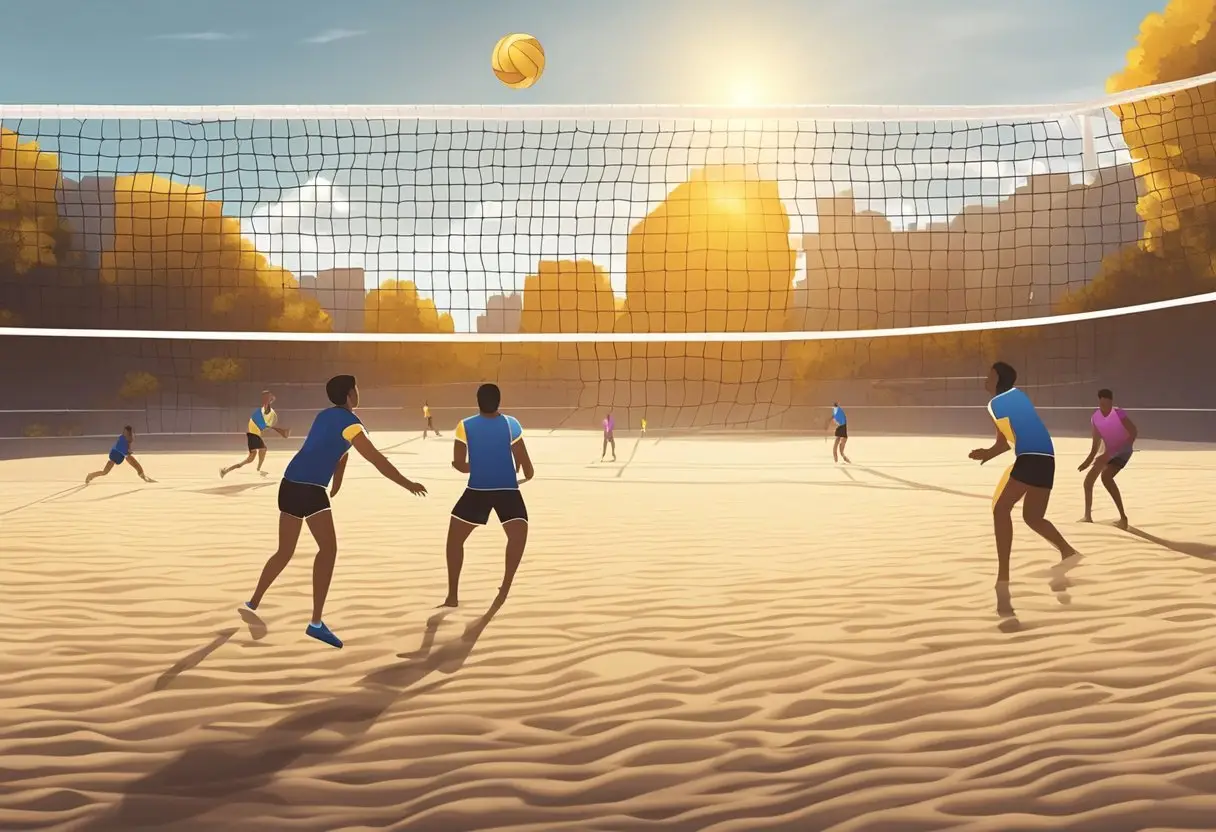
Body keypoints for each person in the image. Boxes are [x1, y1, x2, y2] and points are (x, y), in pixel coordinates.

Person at [243, 375, 427, 649]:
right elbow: (376, 458)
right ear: (350, 394)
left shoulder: (325, 415)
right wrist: (407, 483)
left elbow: (337, 451)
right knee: (328, 550)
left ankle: (253, 601)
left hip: (289, 483)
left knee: (285, 550)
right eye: (357, 388)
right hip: (310, 489)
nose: (358, 391)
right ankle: (316, 623)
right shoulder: (352, 424)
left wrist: (337, 482)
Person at [970, 362, 1078, 611]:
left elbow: (1013, 437)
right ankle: (1068, 551)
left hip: (1031, 457)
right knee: (1033, 517)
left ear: (999, 379)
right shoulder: (1013, 398)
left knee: (1000, 509)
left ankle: (1003, 575)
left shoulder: (1000, 402)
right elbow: (1005, 443)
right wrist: (987, 453)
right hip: (1047, 458)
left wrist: (998, 451)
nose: (985, 379)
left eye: (990, 375)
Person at [443, 383, 534, 608]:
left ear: (477, 401)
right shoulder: (511, 424)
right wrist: (521, 472)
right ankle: (505, 587)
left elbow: (459, 464)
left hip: (478, 490)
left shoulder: (465, 425)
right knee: (518, 535)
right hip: (507, 491)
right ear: (499, 401)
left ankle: (452, 596)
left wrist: (477, 464)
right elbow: (527, 467)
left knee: (454, 540)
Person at [1079, 388, 1139, 529]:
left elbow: (1133, 431)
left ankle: (1123, 518)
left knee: (1106, 477)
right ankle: (1087, 516)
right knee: (1088, 482)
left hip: (1122, 452)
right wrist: (1088, 460)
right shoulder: (1095, 418)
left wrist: (1120, 448)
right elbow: (1095, 443)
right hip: (1105, 452)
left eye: (1107, 404)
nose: (1104, 407)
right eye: (1102, 404)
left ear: (1111, 402)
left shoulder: (1118, 413)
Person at [221, 390, 290, 479]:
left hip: (253, 434)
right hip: (253, 434)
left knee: (251, 458)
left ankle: (226, 470)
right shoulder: (263, 410)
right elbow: (264, 415)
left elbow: (265, 421)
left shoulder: (264, 411)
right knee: (262, 450)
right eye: (268, 397)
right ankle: (259, 470)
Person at [85, 425, 154, 484]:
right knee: (105, 472)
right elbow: (124, 451)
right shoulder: (122, 439)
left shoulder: (128, 439)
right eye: (126, 433)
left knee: (133, 462)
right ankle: (91, 475)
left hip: (120, 455)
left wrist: (129, 450)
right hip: (115, 456)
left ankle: (142, 475)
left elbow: (128, 449)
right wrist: (128, 453)